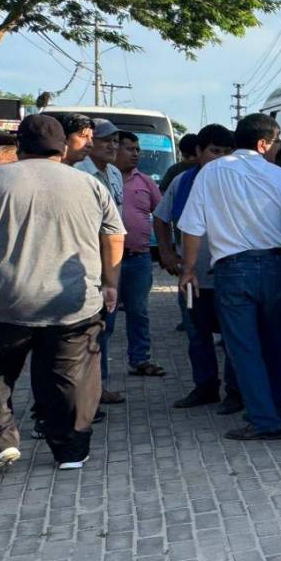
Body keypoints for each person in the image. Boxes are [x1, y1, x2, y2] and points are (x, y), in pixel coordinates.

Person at [0, 114, 123, 471]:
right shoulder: (89, 184)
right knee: (70, 374)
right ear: (62, 146)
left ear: (19, 147)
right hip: (72, 301)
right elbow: (114, 236)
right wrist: (110, 283)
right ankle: (71, 449)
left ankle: (0, 441)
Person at [178, 114, 281, 440]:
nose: (278, 149)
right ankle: (273, 413)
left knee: (244, 347)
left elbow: (192, 227)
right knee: (275, 345)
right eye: (276, 143)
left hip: (232, 270)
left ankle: (264, 420)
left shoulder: (211, 173)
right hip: (276, 267)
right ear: (263, 144)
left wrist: (188, 269)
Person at [155, 124, 241, 411]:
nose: (221, 158)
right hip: (193, 278)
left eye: (228, 152)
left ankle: (235, 392)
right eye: (215, 151)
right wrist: (166, 251)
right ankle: (205, 388)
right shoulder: (183, 182)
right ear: (198, 152)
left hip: (229, 277)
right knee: (198, 336)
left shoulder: (238, 182)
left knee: (232, 339)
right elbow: (161, 217)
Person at [75, 119, 125, 403]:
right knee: (86, 330)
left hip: (112, 258)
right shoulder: (79, 173)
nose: (112, 146)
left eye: (115, 141)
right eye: (107, 140)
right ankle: (85, 392)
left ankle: (98, 385)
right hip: (88, 260)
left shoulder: (115, 173)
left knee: (106, 328)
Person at [115, 131, 165, 377]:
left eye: (137, 149)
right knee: (106, 317)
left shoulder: (145, 182)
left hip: (138, 259)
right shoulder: (100, 180)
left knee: (139, 312)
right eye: (129, 149)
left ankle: (140, 360)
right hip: (106, 262)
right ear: (114, 149)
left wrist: (167, 250)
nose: (135, 154)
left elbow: (163, 214)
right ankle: (96, 373)